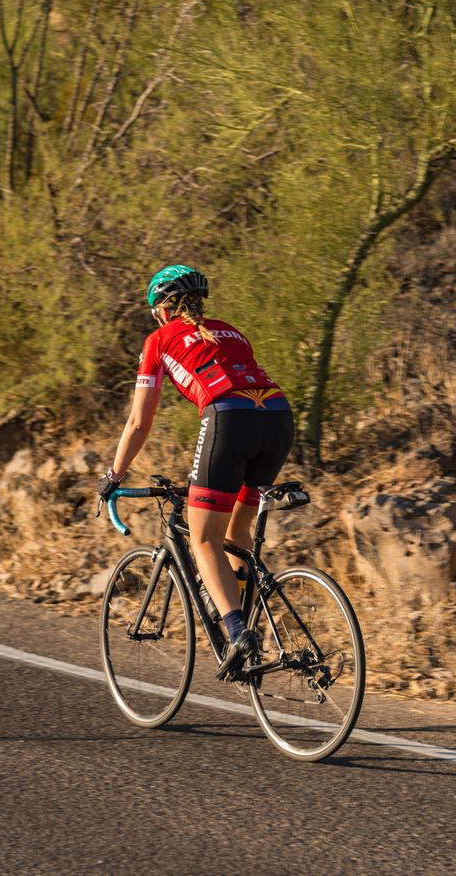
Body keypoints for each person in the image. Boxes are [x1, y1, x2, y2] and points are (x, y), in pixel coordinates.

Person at [97, 265, 294, 679]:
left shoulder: (158, 340)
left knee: (203, 537)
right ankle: (248, 630)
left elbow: (139, 423)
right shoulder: (233, 331)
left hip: (229, 418)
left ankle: (239, 633)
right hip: (278, 418)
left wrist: (113, 477)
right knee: (236, 537)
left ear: (161, 310)